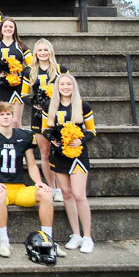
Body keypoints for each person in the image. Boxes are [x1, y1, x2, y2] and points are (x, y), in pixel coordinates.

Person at [0, 102, 60, 258]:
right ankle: (3, 240)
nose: (5, 117)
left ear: (13, 116)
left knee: (47, 194)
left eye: (8, 114)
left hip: (19, 187)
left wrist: (39, 183)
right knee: (0, 196)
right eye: (1, 114)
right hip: (0, 186)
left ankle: (48, 238)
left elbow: (32, 165)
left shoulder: (24, 136)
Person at [42, 74, 95, 253]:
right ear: (57, 86)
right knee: (66, 194)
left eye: (68, 84)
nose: (65, 87)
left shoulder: (83, 105)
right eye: (62, 84)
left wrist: (81, 141)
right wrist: (54, 140)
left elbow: (92, 131)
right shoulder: (49, 105)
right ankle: (76, 234)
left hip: (78, 154)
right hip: (59, 155)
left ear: (74, 86)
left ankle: (88, 236)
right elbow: (45, 129)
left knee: (79, 194)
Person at [26, 38, 69, 199]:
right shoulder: (29, 71)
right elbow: (24, 95)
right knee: (45, 153)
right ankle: (53, 188)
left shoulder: (60, 69)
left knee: (58, 151)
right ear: (35, 53)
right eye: (39, 50)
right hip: (39, 116)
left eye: (45, 50)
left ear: (50, 52)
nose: (43, 53)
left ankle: (63, 186)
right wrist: (35, 102)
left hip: (59, 116)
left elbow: (70, 88)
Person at [0, 18, 33, 127]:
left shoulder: (21, 46)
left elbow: (31, 66)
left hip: (17, 86)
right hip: (0, 86)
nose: (8, 29)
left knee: (15, 121)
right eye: (5, 26)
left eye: (11, 27)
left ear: (15, 29)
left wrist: (19, 72)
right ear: (1, 29)